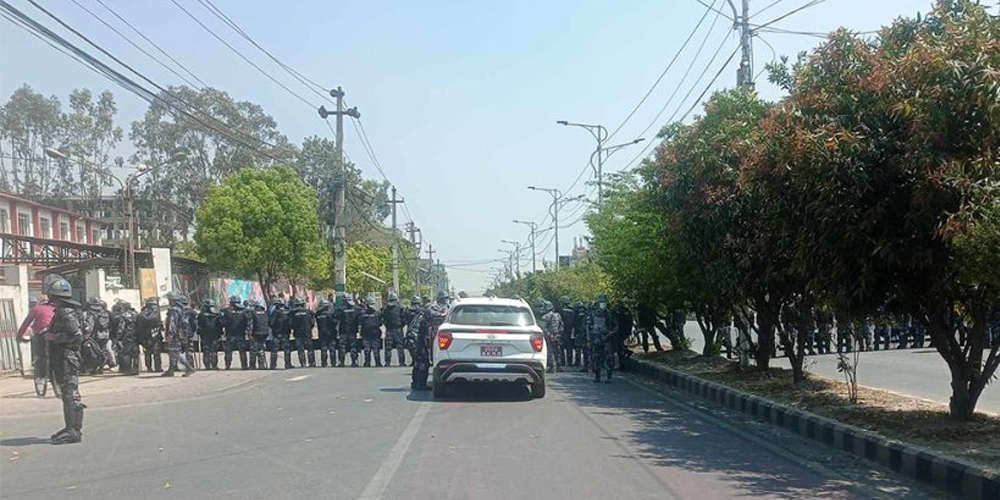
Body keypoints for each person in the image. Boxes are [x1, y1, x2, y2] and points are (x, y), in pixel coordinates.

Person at [43, 278, 87, 444]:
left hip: (67, 357)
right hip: (64, 357)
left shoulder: (66, 312)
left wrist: (54, 337)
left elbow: (76, 335)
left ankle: (73, 430)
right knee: (67, 392)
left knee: (70, 393)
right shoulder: (66, 311)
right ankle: (70, 427)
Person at [409, 291, 450, 390]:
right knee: (423, 362)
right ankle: (420, 384)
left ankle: (416, 383)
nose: (445, 301)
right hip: (417, 338)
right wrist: (447, 314)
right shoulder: (431, 309)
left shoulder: (435, 309)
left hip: (419, 337)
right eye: (444, 299)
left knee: (419, 362)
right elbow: (437, 317)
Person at [17, 295, 56, 395]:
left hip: (40, 336)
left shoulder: (36, 309)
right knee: (56, 354)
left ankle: (41, 377)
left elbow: (25, 323)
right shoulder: (55, 308)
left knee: (40, 356)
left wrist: (19, 335)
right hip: (55, 335)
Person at [162, 293, 195, 377]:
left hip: (175, 334)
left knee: (174, 352)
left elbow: (172, 323)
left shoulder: (174, 310)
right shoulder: (181, 309)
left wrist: (170, 335)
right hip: (180, 334)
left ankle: (188, 367)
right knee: (172, 351)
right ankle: (171, 370)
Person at [588, 294, 617, 383]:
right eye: (601, 302)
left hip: (607, 339)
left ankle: (609, 377)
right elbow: (588, 326)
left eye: (604, 302)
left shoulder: (610, 314)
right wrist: (589, 338)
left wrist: (610, 333)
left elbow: (616, 326)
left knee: (609, 358)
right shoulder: (593, 314)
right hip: (596, 339)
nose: (602, 304)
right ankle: (597, 376)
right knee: (596, 357)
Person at [222, 295, 251, 370]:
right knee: (242, 351)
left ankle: (227, 366)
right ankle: (244, 366)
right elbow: (248, 322)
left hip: (230, 334)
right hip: (241, 334)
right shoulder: (244, 311)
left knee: (228, 351)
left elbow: (223, 323)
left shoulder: (227, 311)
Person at [135, 297, 163, 373]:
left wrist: (140, 338)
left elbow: (138, 327)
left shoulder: (140, 315)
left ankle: (149, 368)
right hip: (155, 336)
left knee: (147, 353)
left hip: (145, 337)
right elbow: (159, 325)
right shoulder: (155, 314)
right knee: (156, 352)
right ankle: (158, 368)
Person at [114, 301, 140, 375]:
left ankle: (128, 370)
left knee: (127, 353)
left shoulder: (123, 316)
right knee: (135, 353)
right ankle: (136, 369)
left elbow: (121, 328)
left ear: (124, 307)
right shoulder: (136, 314)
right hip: (136, 335)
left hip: (127, 336)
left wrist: (118, 338)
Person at [381, 293, 407, 367]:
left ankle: (387, 362)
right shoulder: (400, 307)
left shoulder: (385, 308)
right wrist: (401, 325)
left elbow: (383, 319)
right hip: (397, 329)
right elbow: (404, 319)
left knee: (388, 347)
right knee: (400, 347)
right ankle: (401, 362)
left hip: (390, 329)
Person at [289, 296, 316, 368]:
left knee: (300, 349)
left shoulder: (292, 313)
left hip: (297, 334)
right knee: (310, 348)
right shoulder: (308, 312)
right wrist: (309, 328)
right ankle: (311, 363)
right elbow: (312, 323)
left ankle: (303, 363)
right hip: (307, 333)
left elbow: (290, 324)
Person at [538, 299, 563, 373]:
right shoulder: (558, 315)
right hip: (557, 335)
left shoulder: (545, 317)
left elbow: (543, 327)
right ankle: (558, 366)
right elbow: (562, 325)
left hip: (550, 335)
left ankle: (552, 367)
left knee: (550, 351)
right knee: (558, 351)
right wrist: (559, 334)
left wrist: (548, 334)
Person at [197, 299, 223, 370]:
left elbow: (199, 324)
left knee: (206, 351)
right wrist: (220, 332)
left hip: (205, 335)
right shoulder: (218, 314)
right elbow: (221, 324)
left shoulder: (201, 315)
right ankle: (214, 366)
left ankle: (207, 366)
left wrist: (199, 331)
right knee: (214, 351)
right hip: (215, 335)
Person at [335, 296, 360, 367]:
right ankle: (354, 362)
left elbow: (335, 317)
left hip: (343, 331)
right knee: (353, 346)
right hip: (353, 331)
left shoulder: (340, 309)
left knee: (342, 346)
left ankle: (342, 362)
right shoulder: (356, 308)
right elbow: (359, 318)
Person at [269, 297, 293, 369]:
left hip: (277, 334)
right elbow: (291, 323)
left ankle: (273, 365)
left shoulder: (275, 312)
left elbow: (271, 323)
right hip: (286, 334)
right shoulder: (288, 312)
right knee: (287, 350)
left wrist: (275, 328)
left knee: (274, 350)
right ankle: (288, 364)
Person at [360, 297, 383, 367]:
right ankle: (368, 363)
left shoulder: (377, 313)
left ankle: (377, 363)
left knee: (375, 350)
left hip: (374, 334)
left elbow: (380, 323)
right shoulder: (363, 313)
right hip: (367, 334)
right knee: (368, 350)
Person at [248, 299, 270, 370]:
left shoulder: (253, 312)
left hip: (256, 333)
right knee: (261, 349)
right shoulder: (265, 313)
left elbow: (250, 324)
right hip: (265, 333)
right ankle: (261, 365)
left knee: (253, 350)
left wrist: (250, 334)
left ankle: (252, 365)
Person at [315, 299, 336, 367]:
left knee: (323, 348)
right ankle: (333, 363)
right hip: (331, 333)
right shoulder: (330, 314)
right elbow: (334, 322)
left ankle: (324, 363)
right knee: (332, 348)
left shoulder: (317, 314)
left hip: (321, 333)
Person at [573, 301, 589, 372]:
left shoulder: (576, 312)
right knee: (584, 349)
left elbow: (574, 322)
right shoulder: (587, 312)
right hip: (584, 332)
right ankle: (586, 365)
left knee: (579, 348)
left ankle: (579, 362)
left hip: (581, 332)